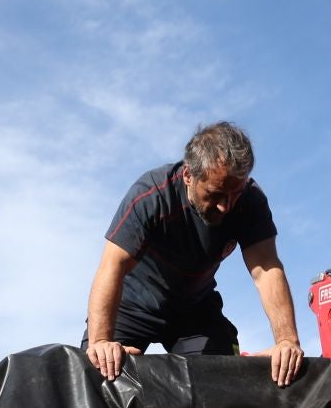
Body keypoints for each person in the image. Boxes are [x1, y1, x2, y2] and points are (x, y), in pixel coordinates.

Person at [83, 120, 305, 387]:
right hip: (132, 307)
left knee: (221, 381)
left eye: (235, 194)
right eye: (215, 194)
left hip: (194, 309)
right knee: (97, 373)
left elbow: (266, 270)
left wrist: (287, 340)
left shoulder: (250, 202)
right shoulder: (152, 195)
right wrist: (101, 341)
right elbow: (112, 266)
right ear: (188, 175)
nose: (225, 206)